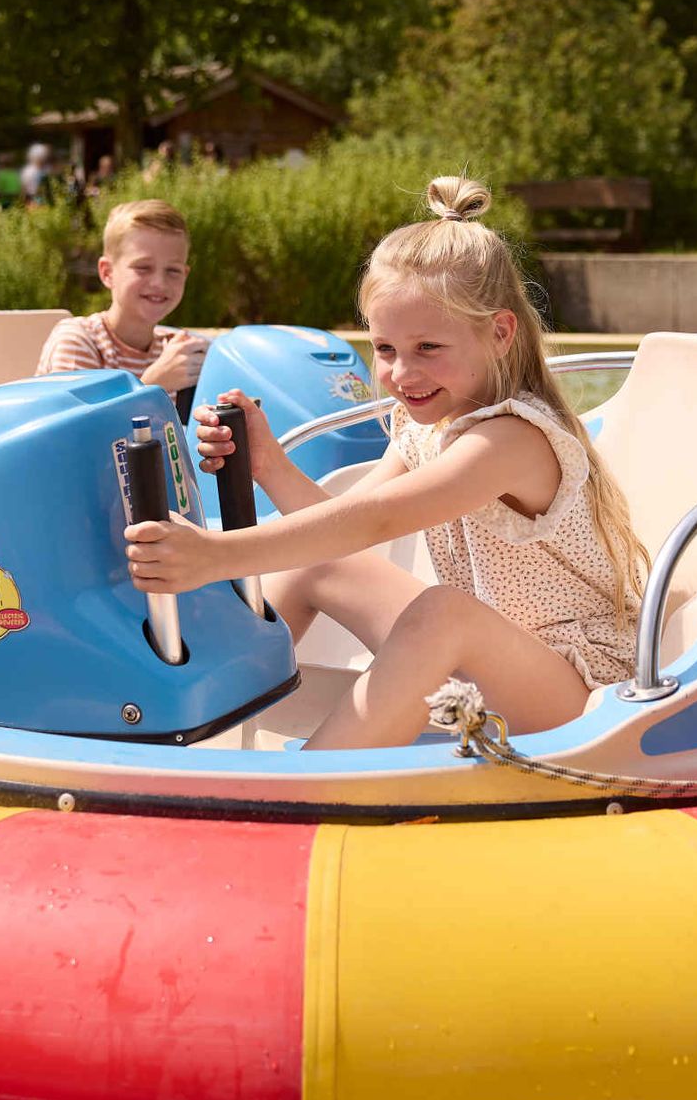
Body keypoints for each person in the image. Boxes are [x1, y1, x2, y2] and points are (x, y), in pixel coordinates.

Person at [124, 176, 646, 750]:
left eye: (429, 349)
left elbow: (378, 519)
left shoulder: (512, 439)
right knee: (317, 563)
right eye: (386, 349)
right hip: (487, 660)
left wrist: (213, 557)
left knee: (442, 612)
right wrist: (269, 465)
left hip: (572, 686)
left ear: (499, 334)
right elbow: (345, 532)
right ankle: (197, 733)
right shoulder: (428, 423)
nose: (401, 374)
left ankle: (308, 784)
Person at [34, 198, 208, 392]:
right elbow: (76, 421)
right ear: (107, 272)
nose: (159, 282)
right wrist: (152, 385)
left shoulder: (177, 350)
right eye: (143, 267)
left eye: (173, 271)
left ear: (185, 275)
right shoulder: (79, 341)